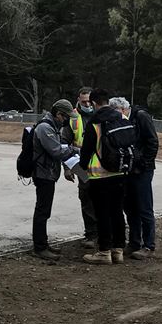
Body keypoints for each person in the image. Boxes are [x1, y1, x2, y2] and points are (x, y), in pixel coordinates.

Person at [81, 90, 134, 263]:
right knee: (117, 211)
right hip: (120, 171)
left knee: (102, 213)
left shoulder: (94, 122)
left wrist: (82, 168)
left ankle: (104, 251)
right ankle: (118, 250)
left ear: (94, 103)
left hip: (99, 175)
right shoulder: (122, 118)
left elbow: (86, 151)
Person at [24, 101, 80, 261]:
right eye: (66, 117)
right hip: (43, 174)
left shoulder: (53, 126)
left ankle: (43, 243)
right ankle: (39, 247)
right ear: (58, 114)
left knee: (45, 210)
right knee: (42, 211)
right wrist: (76, 150)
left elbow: (59, 147)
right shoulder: (45, 128)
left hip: (48, 173)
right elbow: (56, 150)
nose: (67, 120)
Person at [118, 96, 162, 259]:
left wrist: (143, 163)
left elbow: (152, 141)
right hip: (128, 170)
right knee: (130, 207)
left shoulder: (141, 117)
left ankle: (149, 245)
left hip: (143, 170)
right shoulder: (123, 121)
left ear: (123, 109)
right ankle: (134, 242)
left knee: (144, 207)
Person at [71, 87, 100, 246]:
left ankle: (104, 233)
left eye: (89, 101)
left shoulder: (101, 114)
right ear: (78, 100)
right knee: (86, 199)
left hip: (102, 165)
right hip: (81, 165)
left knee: (102, 200)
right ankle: (91, 234)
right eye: (84, 102)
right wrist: (68, 168)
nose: (87, 104)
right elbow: (64, 143)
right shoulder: (73, 117)